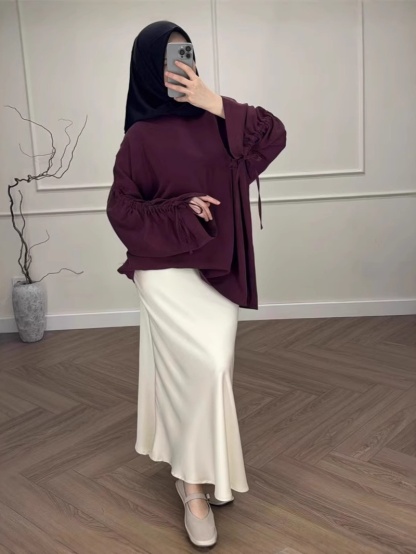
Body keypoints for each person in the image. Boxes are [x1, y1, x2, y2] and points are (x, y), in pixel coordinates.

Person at [106, 20, 286, 548]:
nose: (178, 65)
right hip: (163, 270)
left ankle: (207, 468)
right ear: (148, 68)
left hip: (215, 266)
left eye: (184, 53)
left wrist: (216, 102)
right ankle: (192, 487)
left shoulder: (218, 122)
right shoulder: (138, 138)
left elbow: (273, 135)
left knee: (214, 368)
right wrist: (181, 210)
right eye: (166, 57)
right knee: (200, 368)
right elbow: (122, 211)